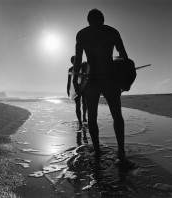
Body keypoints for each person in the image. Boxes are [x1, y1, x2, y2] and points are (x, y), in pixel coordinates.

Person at [73, 9, 138, 169]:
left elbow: (79, 59)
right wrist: (126, 81)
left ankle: (97, 153)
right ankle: (121, 154)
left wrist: (76, 81)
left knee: (93, 118)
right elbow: (124, 57)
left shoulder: (82, 34)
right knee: (117, 116)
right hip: (111, 78)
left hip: (92, 80)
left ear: (88, 20)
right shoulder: (112, 31)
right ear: (102, 19)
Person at [67, 55, 87, 131]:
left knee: (84, 103)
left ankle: (84, 117)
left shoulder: (82, 67)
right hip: (75, 89)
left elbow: (85, 76)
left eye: (75, 60)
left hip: (83, 87)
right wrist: (68, 89)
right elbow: (69, 80)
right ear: (72, 62)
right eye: (73, 61)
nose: (74, 62)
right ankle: (80, 121)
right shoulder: (70, 69)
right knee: (77, 105)